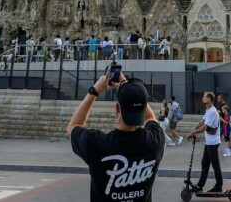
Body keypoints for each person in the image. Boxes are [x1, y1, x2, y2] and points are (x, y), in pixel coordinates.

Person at [68, 66, 163, 202]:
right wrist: (127, 84)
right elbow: (151, 119)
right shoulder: (155, 142)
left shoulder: (97, 144)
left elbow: (73, 126)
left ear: (117, 108)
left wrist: (94, 91)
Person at [185, 91, 223, 194]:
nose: (202, 98)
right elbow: (201, 122)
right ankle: (199, 186)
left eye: (204, 97)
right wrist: (192, 131)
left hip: (213, 143)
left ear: (209, 99)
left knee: (215, 165)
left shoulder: (212, 111)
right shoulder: (208, 110)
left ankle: (218, 186)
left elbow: (205, 127)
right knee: (205, 164)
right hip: (209, 143)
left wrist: (194, 133)